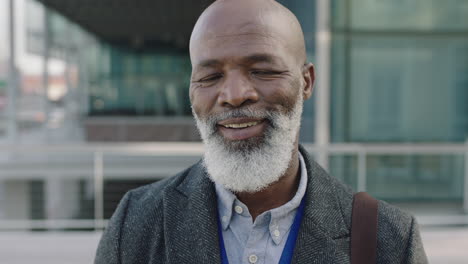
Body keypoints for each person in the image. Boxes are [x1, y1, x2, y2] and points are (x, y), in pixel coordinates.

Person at [95, 0, 428, 263]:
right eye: (210, 77)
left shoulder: (388, 239)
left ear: (306, 82)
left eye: (262, 70)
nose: (235, 94)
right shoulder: (136, 223)